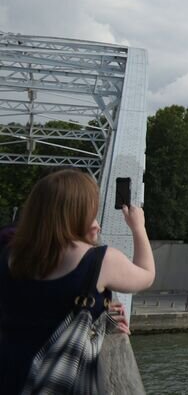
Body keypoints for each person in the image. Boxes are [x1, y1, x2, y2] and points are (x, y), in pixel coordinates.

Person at [0, 169, 155, 394]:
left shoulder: (10, 255)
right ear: (79, 214)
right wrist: (138, 227)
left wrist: (100, 312)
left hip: (10, 374)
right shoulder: (99, 260)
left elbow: (45, 305)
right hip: (60, 383)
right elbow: (146, 274)